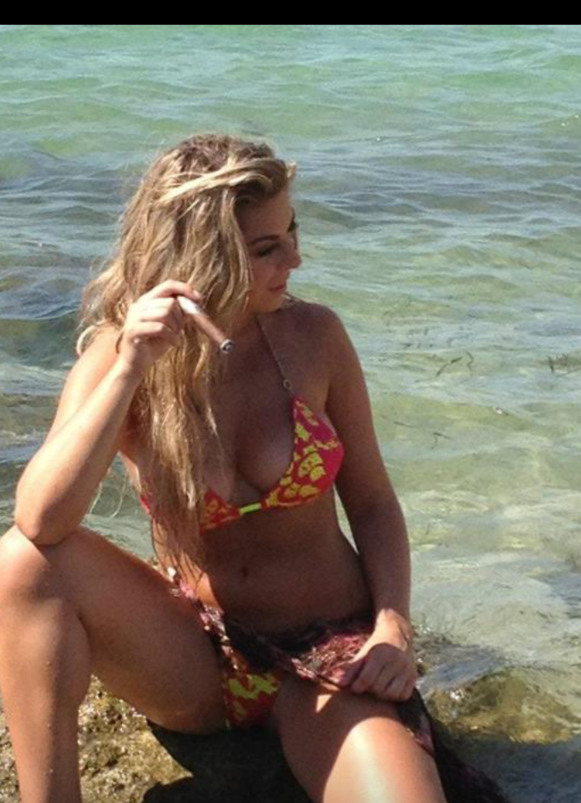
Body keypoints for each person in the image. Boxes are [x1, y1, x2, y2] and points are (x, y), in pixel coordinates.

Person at [0, 134, 507, 803]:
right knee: (20, 561)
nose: (295, 258)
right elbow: (40, 520)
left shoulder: (315, 337)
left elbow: (374, 503)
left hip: (326, 659)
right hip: (194, 655)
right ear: (202, 254)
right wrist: (129, 368)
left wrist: (393, 628)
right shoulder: (121, 358)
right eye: (268, 247)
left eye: (292, 232)